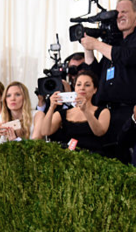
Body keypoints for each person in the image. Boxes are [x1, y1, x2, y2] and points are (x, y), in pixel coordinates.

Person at [81, 0, 136, 162]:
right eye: (117, 12)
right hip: (105, 114)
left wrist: (97, 44)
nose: (119, 16)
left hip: (128, 113)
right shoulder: (112, 43)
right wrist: (88, 48)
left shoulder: (127, 44)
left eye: (125, 12)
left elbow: (127, 57)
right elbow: (96, 77)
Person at [41, 70, 111, 155]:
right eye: (79, 84)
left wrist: (86, 111)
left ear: (95, 90)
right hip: (68, 158)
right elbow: (45, 132)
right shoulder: (63, 113)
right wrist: (51, 107)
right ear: (75, 88)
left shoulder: (103, 111)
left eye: (87, 85)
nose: (82, 88)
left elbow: (99, 132)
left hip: (94, 158)